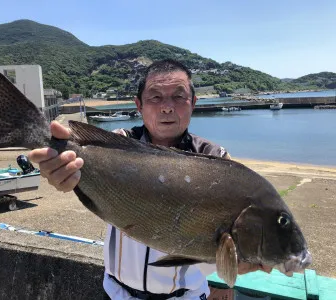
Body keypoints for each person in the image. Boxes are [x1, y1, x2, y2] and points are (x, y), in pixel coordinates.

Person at [29, 59, 272, 299]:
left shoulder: (218, 161)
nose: (167, 107)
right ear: (139, 105)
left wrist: (235, 266)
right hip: (117, 293)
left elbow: (222, 248)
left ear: (193, 103)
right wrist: (61, 169)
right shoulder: (117, 144)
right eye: (155, 97)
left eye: (179, 96)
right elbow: (76, 157)